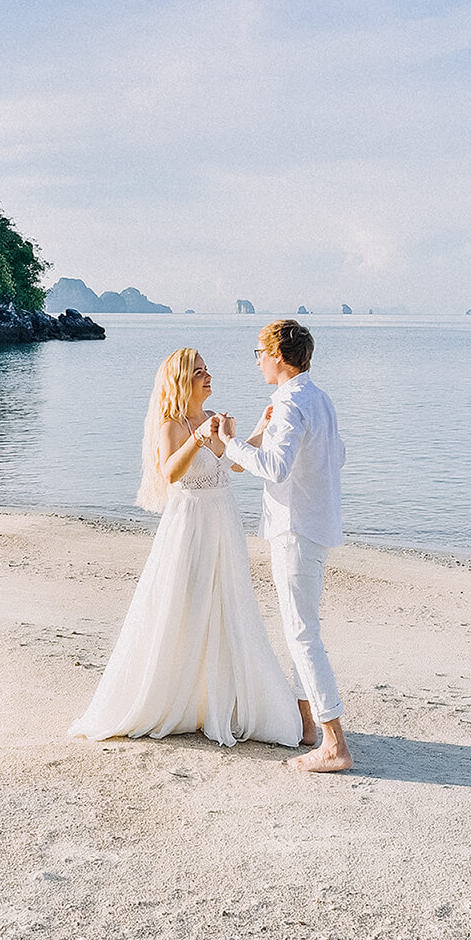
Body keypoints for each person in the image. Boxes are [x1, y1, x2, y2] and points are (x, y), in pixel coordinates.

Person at [69, 348, 302, 748]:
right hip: (190, 524)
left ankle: (213, 701)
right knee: (185, 605)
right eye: (199, 373)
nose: (208, 376)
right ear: (181, 381)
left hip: (223, 522)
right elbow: (170, 471)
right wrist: (198, 437)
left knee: (226, 605)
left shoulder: (212, 421)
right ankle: (176, 698)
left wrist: (257, 432)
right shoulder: (172, 425)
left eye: (208, 370)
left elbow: (232, 466)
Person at [219, 319, 353, 773]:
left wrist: (230, 444)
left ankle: (333, 742)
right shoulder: (319, 399)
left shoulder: (291, 402)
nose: (256, 360)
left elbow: (275, 469)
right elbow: (337, 456)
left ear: (277, 354)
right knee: (303, 627)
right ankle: (307, 726)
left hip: (295, 527)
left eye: (258, 351)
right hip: (315, 523)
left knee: (301, 632)